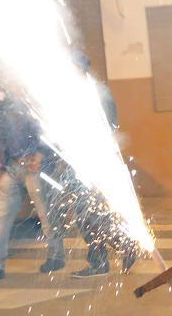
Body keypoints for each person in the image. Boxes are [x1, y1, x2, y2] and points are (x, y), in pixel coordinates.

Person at [48, 51, 136, 278]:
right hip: (80, 162)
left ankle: (110, 254)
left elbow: (106, 130)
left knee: (88, 214)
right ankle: (118, 247)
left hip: (94, 163)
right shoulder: (75, 93)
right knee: (88, 214)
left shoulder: (97, 94)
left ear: (79, 69)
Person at [0, 89, 65, 280]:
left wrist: (40, 156)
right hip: (14, 166)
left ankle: (56, 255)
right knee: (1, 214)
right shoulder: (0, 114)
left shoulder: (22, 108)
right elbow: (1, 137)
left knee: (45, 213)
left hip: (34, 165)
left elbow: (44, 131)